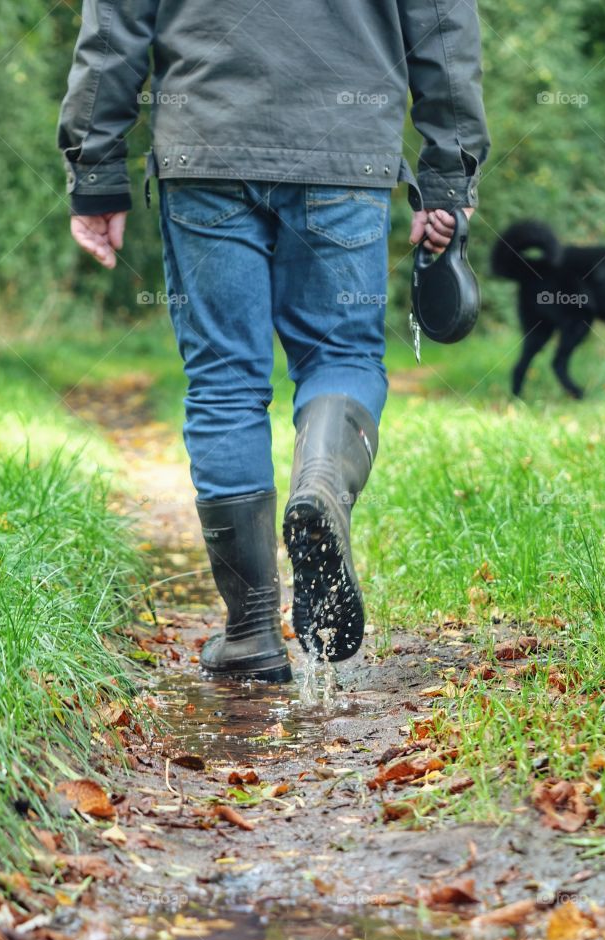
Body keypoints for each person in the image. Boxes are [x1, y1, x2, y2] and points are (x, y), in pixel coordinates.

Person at [59, 1, 489, 682]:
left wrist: (95, 170)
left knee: (225, 380)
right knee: (341, 357)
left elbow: (116, 19)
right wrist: (447, 174)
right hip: (343, 153)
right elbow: (441, 19)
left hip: (207, 143)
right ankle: (321, 484)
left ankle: (252, 632)